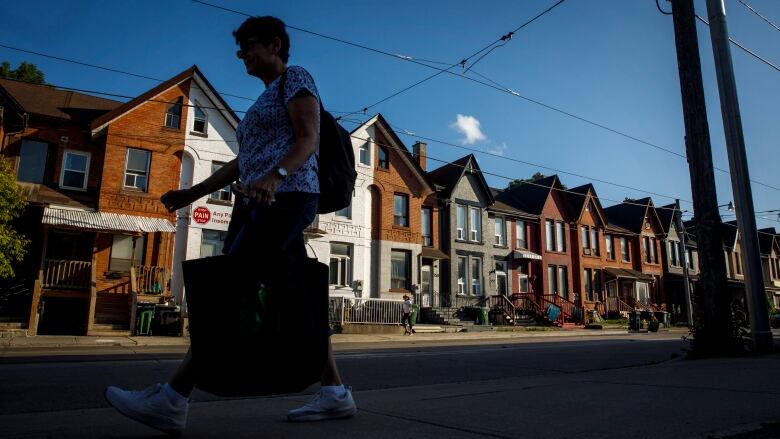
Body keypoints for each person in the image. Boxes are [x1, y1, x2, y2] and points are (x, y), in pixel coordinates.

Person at [104, 16, 356, 435]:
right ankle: (334, 392)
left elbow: (308, 138)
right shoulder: (266, 99)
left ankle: (172, 399)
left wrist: (275, 176)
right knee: (298, 298)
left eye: (250, 46)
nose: (243, 56)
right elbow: (245, 162)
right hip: (264, 201)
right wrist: (193, 192)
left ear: (275, 44)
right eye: (241, 49)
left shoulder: (296, 78)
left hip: (287, 199)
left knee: (228, 293)